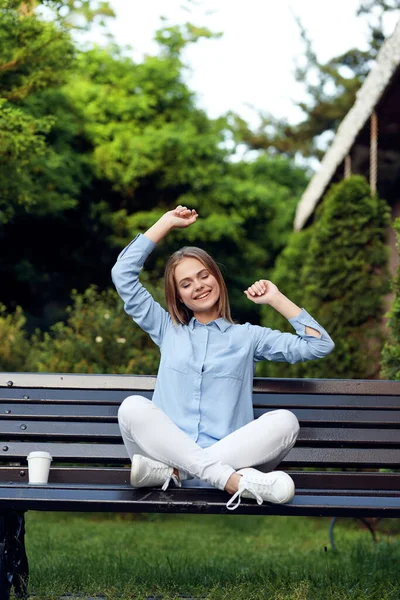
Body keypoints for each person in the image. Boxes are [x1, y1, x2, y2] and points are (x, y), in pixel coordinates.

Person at [112, 206, 334, 510]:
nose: (198, 286)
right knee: (132, 408)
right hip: (185, 459)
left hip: (217, 458)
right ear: (178, 295)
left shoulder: (249, 337)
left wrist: (275, 298)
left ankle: (182, 473)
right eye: (186, 283)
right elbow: (122, 276)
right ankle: (233, 482)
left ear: (217, 278)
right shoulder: (166, 328)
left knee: (286, 421)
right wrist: (165, 223)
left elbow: (318, 345)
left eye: (204, 276)